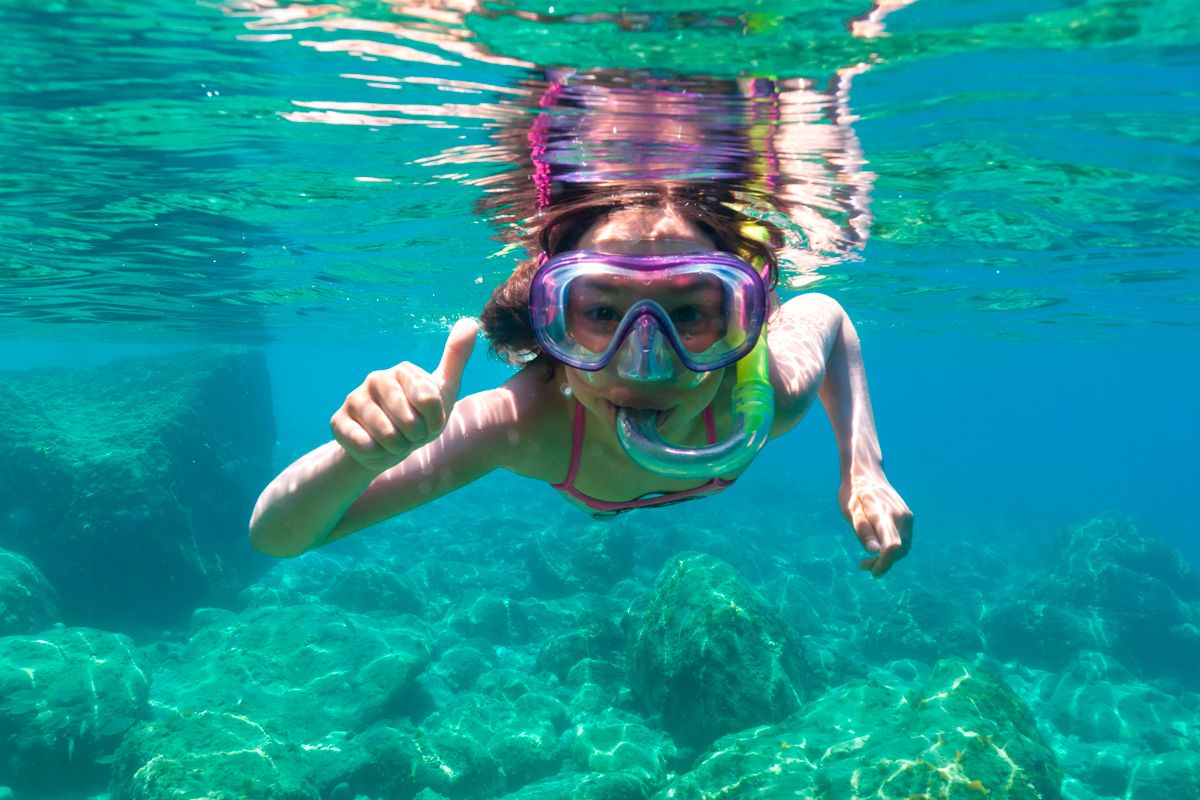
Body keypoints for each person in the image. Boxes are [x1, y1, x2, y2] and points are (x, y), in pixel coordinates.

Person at [249, 182, 913, 576]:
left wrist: (864, 469)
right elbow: (278, 536)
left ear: (742, 321)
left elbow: (827, 314)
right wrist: (358, 458)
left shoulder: (762, 398)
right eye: (601, 313)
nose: (645, 363)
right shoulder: (522, 427)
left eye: (688, 312)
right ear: (551, 327)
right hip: (589, 494)